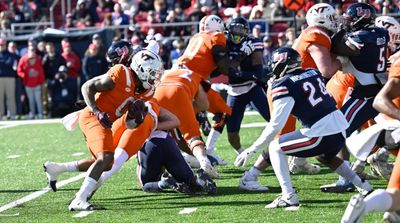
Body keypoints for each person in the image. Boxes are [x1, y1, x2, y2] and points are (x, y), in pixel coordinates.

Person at [235, 47, 372, 208]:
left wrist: (251, 149)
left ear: (283, 64)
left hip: (322, 132)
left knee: (275, 147)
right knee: (325, 157)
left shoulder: (284, 84)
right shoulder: (313, 73)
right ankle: (364, 187)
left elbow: (276, 125)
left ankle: (288, 196)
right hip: (341, 128)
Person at [48, 40, 162, 211]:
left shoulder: (146, 91)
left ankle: (57, 168)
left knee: (105, 162)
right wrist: (97, 110)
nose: (154, 77)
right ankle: (80, 199)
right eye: (152, 73)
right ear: (141, 69)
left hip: (107, 122)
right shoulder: (121, 73)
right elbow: (87, 87)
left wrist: (136, 119)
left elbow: (130, 124)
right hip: (94, 116)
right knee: (106, 158)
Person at [152, 15, 239, 178]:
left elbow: (209, 65)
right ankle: (205, 152)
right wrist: (237, 64)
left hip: (171, 76)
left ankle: (199, 148)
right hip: (192, 80)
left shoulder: (197, 37)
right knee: (221, 111)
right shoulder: (216, 36)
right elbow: (222, 63)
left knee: (178, 125)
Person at [321, 2, 390, 193]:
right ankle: (355, 171)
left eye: (350, 19)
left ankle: (347, 180)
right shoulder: (381, 33)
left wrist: (333, 35)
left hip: (366, 96)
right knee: (385, 134)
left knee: (337, 132)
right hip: (377, 90)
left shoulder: (361, 37)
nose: (347, 22)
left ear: (361, 18)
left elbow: (346, 49)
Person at [341, 47, 400, 223]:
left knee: (395, 195)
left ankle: (363, 206)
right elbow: (380, 100)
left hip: (390, 131)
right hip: (392, 128)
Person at [207, 16, 269, 162]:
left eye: (241, 30)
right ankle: (242, 153)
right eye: (235, 29)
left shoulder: (253, 42)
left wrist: (237, 72)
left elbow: (258, 74)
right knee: (232, 134)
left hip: (252, 88)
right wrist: (240, 57)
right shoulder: (223, 43)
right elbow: (221, 71)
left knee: (274, 121)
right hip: (234, 91)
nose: (237, 33)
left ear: (246, 31)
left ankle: (286, 152)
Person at [17, 42, 45, 119]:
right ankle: (32, 114)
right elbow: (19, 70)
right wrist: (24, 76)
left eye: (33, 49)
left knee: (38, 100)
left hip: (37, 84)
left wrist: (41, 82)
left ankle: (40, 114)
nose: (31, 60)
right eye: (30, 49)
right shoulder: (23, 59)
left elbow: (41, 72)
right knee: (31, 100)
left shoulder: (38, 59)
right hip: (28, 84)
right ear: (28, 50)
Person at [0, 37, 18, 120]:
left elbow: (10, 63)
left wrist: (3, 63)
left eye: (2, 45)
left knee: (10, 97)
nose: (1, 46)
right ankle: (0, 115)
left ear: (5, 45)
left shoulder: (11, 55)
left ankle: (12, 114)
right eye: (0, 45)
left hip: (10, 78)